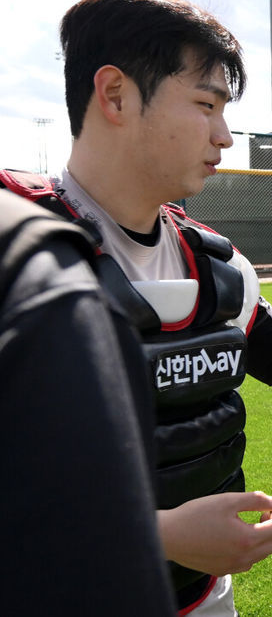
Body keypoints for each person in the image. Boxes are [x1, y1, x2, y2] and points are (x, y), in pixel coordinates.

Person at [1, 0, 272, 615]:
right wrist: (160, 534)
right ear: (114, 95)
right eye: (205, 104)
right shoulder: (18, 258)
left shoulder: (213, 259)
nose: (224, 134)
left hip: (204, 599)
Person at [0, 193, 176, 615]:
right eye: (207, 119)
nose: (224, 136)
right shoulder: (37, 261)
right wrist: (164, 532)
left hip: (207, 589)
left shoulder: (208, 249)